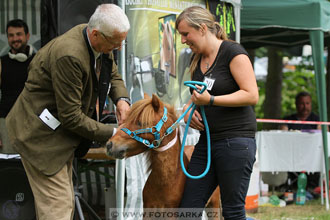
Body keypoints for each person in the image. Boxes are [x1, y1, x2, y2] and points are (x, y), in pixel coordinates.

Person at [6, 4, 131, 220]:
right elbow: (71, 117)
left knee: (62, 205)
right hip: (39, 137)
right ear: (95, 34)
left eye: (123, 41)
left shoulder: (97, 37)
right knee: (58, 207)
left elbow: (112, 72)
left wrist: (122, 100)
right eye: (116, 42)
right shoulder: (70, 56)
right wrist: (114, 132)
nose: (120, 47)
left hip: (60, 136)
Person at [176, 6, 259, 220]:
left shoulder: (233, 52)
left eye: (186, 34)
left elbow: (251, 95)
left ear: (203, 28)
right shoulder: (197, 59)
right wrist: (187, 111)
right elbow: (195, 98)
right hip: (207, 143)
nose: (183, 40)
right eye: (181, 36)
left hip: (236, 142)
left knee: (232, 211)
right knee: (188, 211)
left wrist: (211, 100)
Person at [0, 19, 35, 154]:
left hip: (32, 123)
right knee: (8, 170)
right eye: (11, 35)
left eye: (19, 34)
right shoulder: (1, 63)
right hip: (6, 123)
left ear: (27, 36)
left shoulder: (38, 61)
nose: (15, 39)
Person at [280, 91, 321, 191]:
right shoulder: (288, 120)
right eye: (302, 103)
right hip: (291, 156)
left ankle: (313, 186)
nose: (305, 106)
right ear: (296, 104)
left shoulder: (317, 120)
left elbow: (323, 134)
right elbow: (281, 134)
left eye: (307, 103)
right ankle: (286, 184)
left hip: (312, 156)